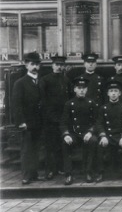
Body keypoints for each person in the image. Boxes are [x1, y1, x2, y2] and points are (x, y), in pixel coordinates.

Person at [39, 54, 72, 180]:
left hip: (63, 117)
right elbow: (43, 100)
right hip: (50, 118)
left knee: (62, 143)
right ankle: (50, 170)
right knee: (50, 145)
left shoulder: (66, 80)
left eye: (61, 65)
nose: (59, 67)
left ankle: (61, 167)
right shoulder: (45, 80)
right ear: (52, 65)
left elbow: (69, 100)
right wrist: (50, 116)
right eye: (57, 65)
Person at [12, 52, 43, 185]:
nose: (35, 67)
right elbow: (17, 105)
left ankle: (34, 173)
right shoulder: (20, 83)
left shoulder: (41, 82)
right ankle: (26, 175)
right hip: (27, 122)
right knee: (26, 149)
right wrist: (21, 122)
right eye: (32, 64)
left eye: (37, 64)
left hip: (38, 122)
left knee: (36, 148)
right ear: (26, 65)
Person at [60, 77, 98, 185]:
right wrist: (66, 134)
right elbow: (63, 122)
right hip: (74, 133)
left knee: (93, 141)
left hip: (87, 133)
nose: (81, 90)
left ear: (86, 90)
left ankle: (88, 172)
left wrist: (91, 132)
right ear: (74, 89)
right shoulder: (69, 104)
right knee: (65, 143)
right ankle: (68, 174)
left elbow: (97, 122)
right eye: (79, 88)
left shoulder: (91, 103)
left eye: (84, 88)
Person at [95, 80, 122, 182]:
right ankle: (100, 172)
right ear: (108, 93)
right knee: (100, 144)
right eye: (111, 91)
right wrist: (103, 136)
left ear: (120, 93)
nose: (113, 93)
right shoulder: (103, 108)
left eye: (116, 91)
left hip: (120, 136)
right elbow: (99, 124)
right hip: (108, 136)